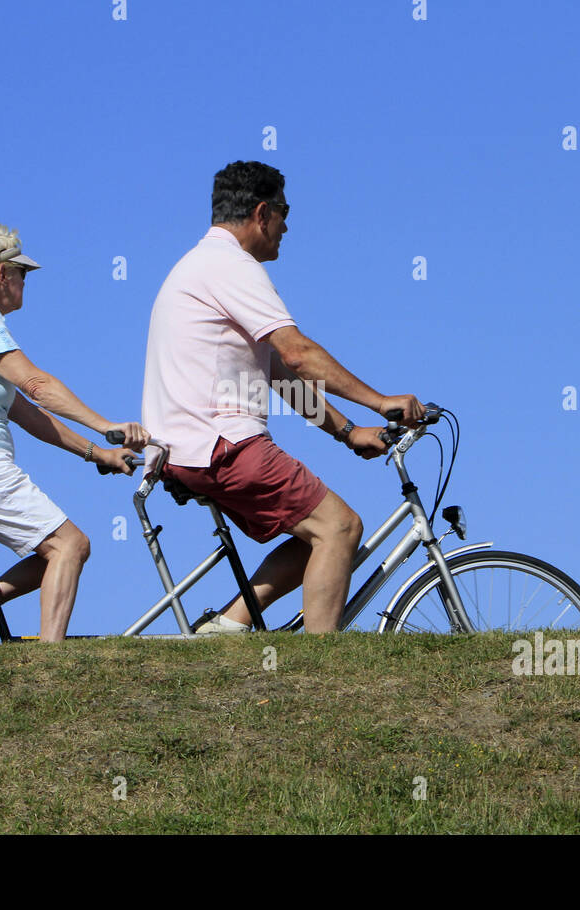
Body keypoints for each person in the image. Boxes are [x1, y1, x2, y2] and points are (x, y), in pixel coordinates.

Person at [141, 162, 424, 634]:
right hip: (222, 444)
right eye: (285, 212)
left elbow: (278, 374)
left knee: (315, 537)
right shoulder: (232, 266)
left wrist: (348, 432)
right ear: (261, 212)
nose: (288, 226)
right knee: (340, 529)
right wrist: (379, 402)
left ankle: (226, 629)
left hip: (189, 447)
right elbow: (297, 355)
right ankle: (319, 670)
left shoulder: (201, 264)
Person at [0, 221, 147, 641]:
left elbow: (28, 412)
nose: (25, 281)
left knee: (54, 550)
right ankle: (50, 667)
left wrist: (98, 452)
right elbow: (37, 386)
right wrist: (108, 426)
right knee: (69, 546)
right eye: (22, 271)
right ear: (2, 273)